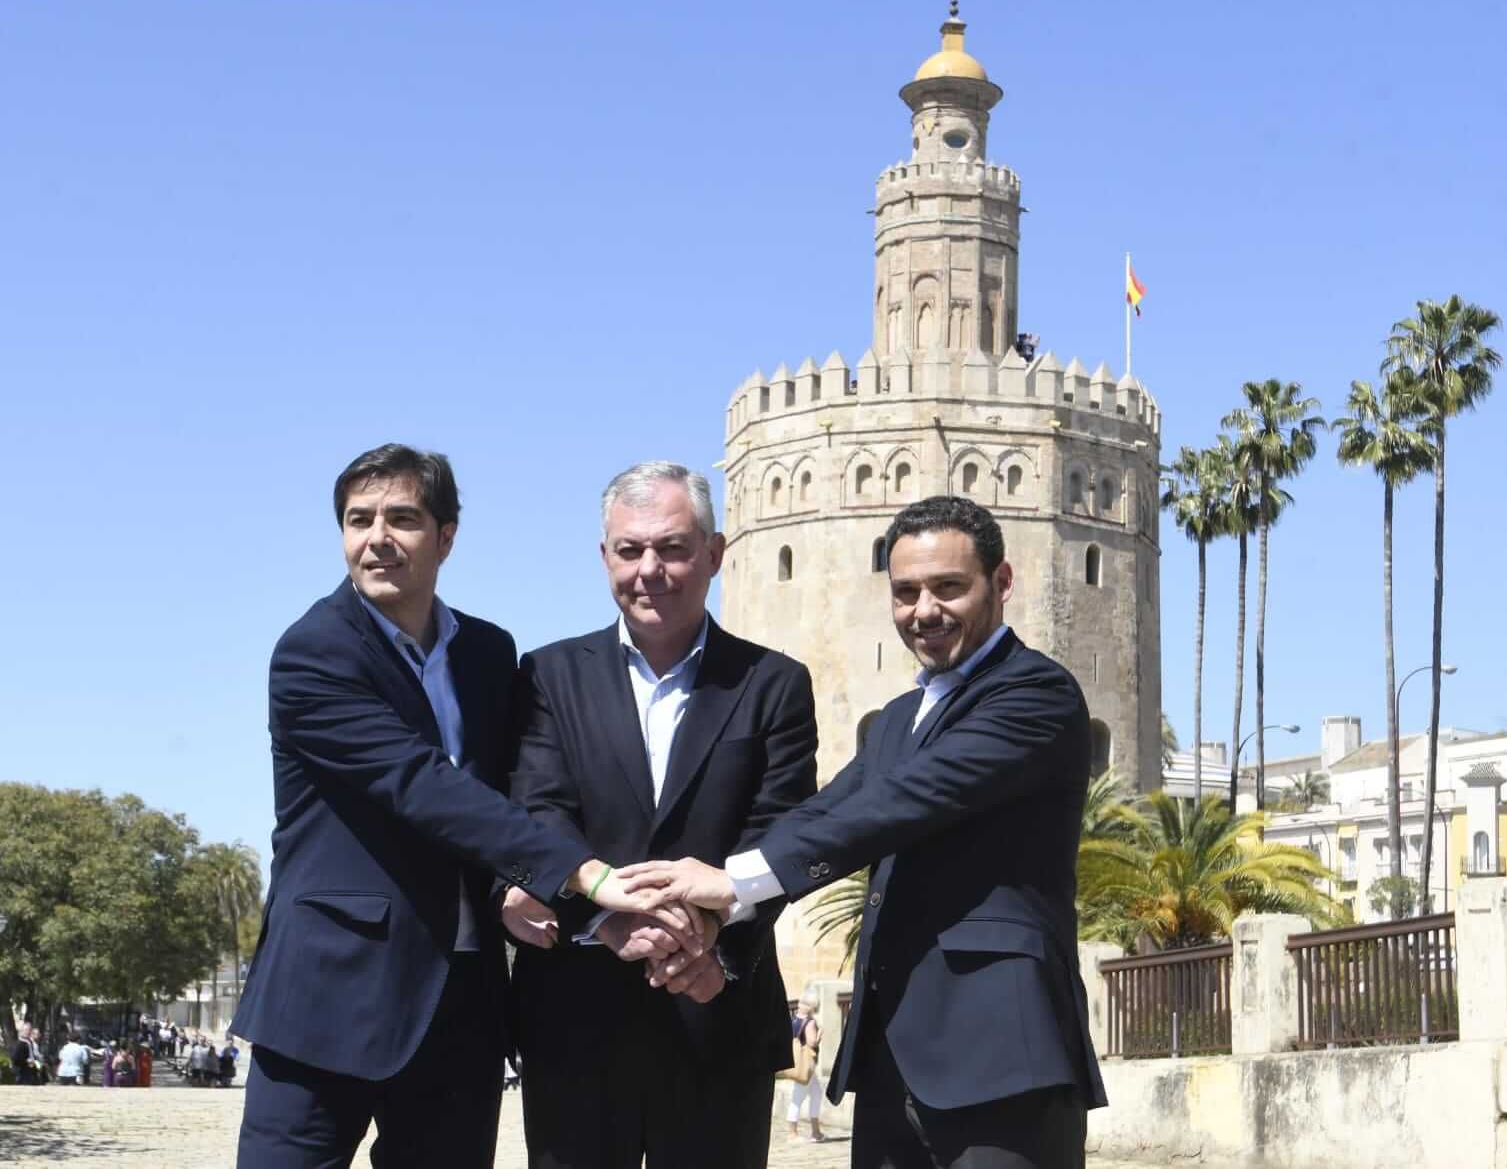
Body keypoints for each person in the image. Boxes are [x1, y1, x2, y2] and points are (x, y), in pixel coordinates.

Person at [621, 496, 1108, 1169]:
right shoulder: (901, 716)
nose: (923, 611)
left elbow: (902, 803)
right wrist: (717, 911)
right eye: (905, 592)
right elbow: (829, 810)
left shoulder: (1035, 694)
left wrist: (732, 880)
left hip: (1003, 1057)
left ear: (1001, 583)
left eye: (948, 587)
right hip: (891, 1055)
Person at [232, 444, 665, 1169]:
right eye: (357, 519)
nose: (376, 537)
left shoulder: (490, 653)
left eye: (401, 517)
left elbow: (505, 792)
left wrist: (505, 888)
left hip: (462, 996)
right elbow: (422, 785)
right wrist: (584, 874)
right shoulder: (313, 653)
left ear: (446, 536)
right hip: (330, 993)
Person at [505, 461, 818, 1169]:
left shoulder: (773, 685)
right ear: (604, 556)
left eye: (673, 547)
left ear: (714, 554)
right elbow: (539, 810)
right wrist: (601, 917)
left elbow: (780, 831)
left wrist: (713, 938)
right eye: (630, 548)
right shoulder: (547, 676)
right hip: (575, 1027)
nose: (650, 568)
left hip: (718, 1017)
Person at [787, 993, 825, 1143]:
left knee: (816, 1093)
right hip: (806, 1065)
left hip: (799, 1063)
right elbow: (812, 1043)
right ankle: (792, 1133)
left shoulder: (794, 1019)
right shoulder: (809, 1022)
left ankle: (816, 1131)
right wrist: (820, 1033)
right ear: (811, 1007)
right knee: (797, 1098)